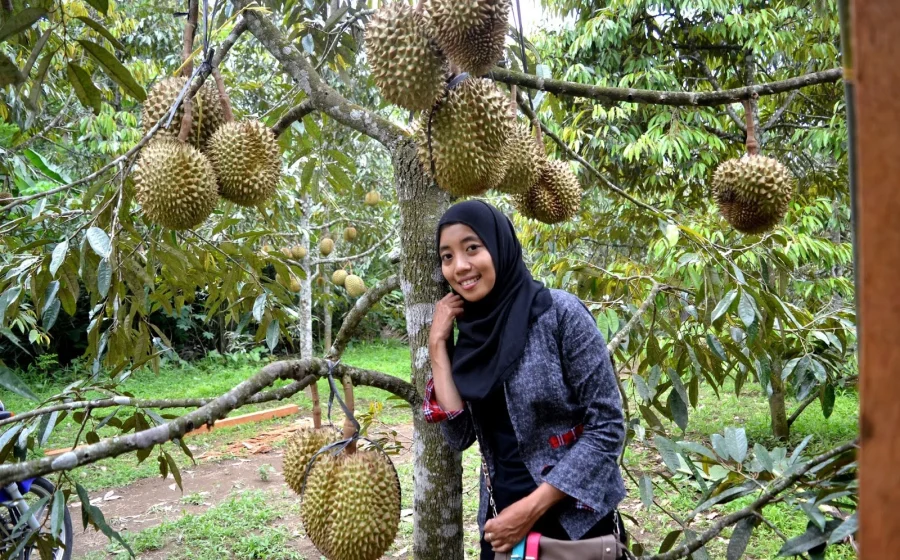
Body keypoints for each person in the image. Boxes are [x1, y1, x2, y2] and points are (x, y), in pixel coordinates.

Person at [423, 200, 626, 558]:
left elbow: (607, 427)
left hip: (574, 521)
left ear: (499, 246)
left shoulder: (560, 314)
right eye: (447, 257)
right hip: (503, 526)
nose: (460, 266)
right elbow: (458, 435)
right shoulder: (470, 336)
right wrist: (438, 346)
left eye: (472, 248)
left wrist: (531, 508)